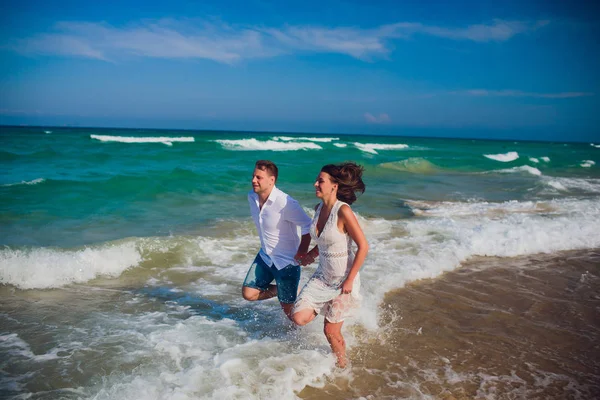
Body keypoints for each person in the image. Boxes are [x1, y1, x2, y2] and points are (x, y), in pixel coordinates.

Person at [292, 162, 368, 368]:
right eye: (317, 180)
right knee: (299, 317)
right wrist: (311, 254)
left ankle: (342, 367)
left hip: (343, 280)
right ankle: (324, 307)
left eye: (320, 181)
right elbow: (326, 240)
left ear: (334, 185)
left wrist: (350, 280)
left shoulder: (343, 211)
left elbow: (363, 246)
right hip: (322, 277)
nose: (315, 184)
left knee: (330, 331)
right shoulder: (318, 209)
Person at [242, 160, 312, 321]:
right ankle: (284, 290)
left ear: (271, 180)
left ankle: (296, 341)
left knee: (291, 315)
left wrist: (303, 251)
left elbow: (308, 225)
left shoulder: (286, 202)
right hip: (265, 257)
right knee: (249, 293)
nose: (253, 180)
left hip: (286, 263)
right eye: (253, 176)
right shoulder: (252, 197)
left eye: (259, 177)